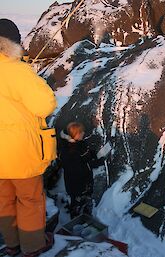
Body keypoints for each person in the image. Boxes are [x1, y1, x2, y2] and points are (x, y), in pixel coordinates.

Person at [0, 19, 57, 257]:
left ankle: (12, 244)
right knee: (29, 200)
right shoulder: (18, 71)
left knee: (4, 200)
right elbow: (45, 105)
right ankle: (33, 246)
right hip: (21, 153)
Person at [59, 122, 105, 219]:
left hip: (83, 182)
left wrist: (94, 154)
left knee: (84, 200)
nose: (83, 133)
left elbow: (85, 154)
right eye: (80, 132)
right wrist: (96, 163)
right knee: (77, 203)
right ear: (74, 135)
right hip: (76, 185)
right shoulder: (70, 151)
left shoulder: (78, 144)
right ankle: (76, 220)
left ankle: (85, 216)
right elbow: (80, 167)